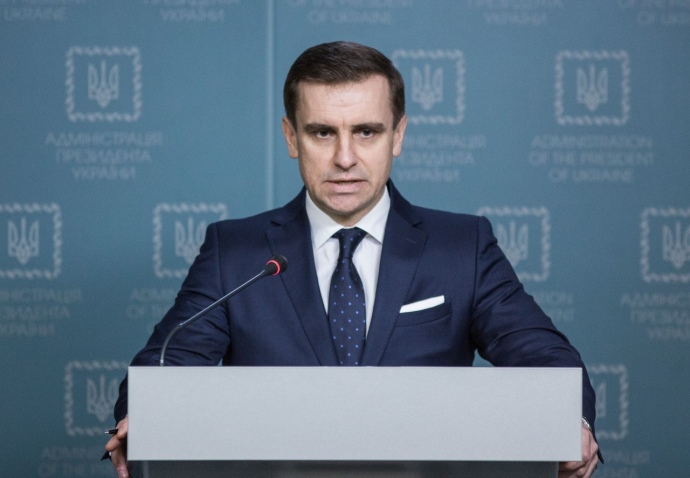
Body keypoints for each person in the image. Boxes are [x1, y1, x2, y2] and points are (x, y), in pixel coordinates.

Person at [105, 41, 600, 478]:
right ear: (291, 137)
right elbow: (164, 365)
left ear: (398, 135)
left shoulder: (462, 247)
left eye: (366, 132)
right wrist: (142, 419)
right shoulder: (235, 252)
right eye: (323, 133)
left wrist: (571, 424)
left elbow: (547, 359)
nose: (345, 158)